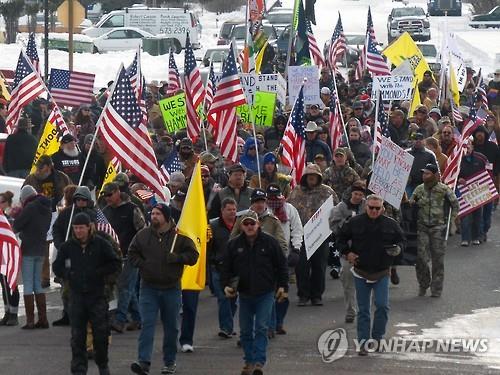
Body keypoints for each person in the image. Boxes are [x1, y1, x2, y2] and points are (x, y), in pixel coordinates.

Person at [129, 203, 198, 375]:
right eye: (152, 213)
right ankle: (143, 361)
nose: (154, 217)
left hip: (171, 288)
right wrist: (143, 264)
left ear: (166, 217)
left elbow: (193, 256)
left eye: (158, 214)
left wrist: (177, 258)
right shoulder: (143, 235)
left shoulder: (179, 237)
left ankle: (169, 362)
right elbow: (132, 253)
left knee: (171, 327)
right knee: (147, 325)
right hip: (148, 287)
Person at [53, 212, 121, 375]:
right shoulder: (67, 247)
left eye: (81, 228)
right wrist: (68, 274)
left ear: (88, 227)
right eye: (76, 228)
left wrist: (99, 273)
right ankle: (78, 368)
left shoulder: (101, 244)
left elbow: (115, 263)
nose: (78, 231)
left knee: (100, 335)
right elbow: (57, 267)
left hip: (97, 296)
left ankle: (102, 365)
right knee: (77, 336)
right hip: (76, 297)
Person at [221, 210, 288, 375]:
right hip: (244, 294)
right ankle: (249, 361)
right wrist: (226, 285)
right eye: (246, 223)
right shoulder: (234, 245)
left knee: (261, 327)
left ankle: (259, 362)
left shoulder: (270, 242)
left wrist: (282, 286)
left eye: (253, 223)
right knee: (244, 330)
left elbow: (282, 266)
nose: (250, 226)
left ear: (258, 224)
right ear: (242, 226)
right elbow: (225, 269)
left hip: (265, 293)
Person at [337, 195, 405, 355]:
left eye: (377, 208)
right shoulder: (354, 222)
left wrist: (398, 249)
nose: (374, 211)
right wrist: (347, 253)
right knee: (363, 310)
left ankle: (377, 337)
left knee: (382, 306)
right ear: (365, 207)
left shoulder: (391, 224)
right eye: (371, 208)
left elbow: (402, 241)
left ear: (383, 209)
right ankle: (363, 343)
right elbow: (340, 239)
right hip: (361, 271)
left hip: (382, 272)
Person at [288, 164, 338, 306]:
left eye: (314, 176)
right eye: (309, 176)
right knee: (301, 266)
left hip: (321, 235)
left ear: (319, 177)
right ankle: (303, 295)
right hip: (301, 235)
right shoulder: (296, 192)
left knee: (319, 266)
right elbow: (289, 210)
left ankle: (317, 295)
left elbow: (336, 210)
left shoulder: (328, 192)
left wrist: (332, 227)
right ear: (304, 177)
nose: (312, 178)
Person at [102, 182, 146, 333]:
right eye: (105, 195)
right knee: (129, 288)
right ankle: (138, 318)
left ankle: (120, 320)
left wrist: (141, 251)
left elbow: (143, 231)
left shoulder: (132, 209)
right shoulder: (105, 212)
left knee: (125, 287)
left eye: (109, 195)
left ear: (117, 192)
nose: (107, 198)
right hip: (114, 255)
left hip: (131, 254)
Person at [51, 186, 97, 326]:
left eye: (83, 199)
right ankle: (67, 313)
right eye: (78, 199)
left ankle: (85, 314)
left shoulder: (94, 214)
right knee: (66, 285)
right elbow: (56, 229)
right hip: (68, 254)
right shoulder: (66, 213)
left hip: (87, 255)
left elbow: (99, 233)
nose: (80, 202)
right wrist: (60, 245)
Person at [410, 164, 459, 297]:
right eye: (423, 173)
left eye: (427, 173)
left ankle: (436, 288)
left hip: (438, 228)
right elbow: (410, 203)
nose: (424, 176)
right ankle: (423, 283)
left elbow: (455, 204)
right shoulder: (419, 189)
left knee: (438, 259)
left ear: (434, 175)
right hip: (422, 227)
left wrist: (453, 221)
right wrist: (412, 203)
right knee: (421, 259)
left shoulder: (443, 189)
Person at [265, 183, 303, 335]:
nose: (273, 200)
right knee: (268, 293)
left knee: (283, 293)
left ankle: (279, 322)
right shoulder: (261, 210)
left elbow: (297, 229)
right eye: (270, 197)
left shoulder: (289, 209)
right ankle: (270, 324)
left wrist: (296, 248)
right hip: (265, 258)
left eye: (276, 197)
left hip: (284, 257)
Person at [13, 185, 52, 329]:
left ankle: (30, 321)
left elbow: (17, 225)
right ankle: (43, 319)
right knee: (37, 283)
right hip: (41, 249)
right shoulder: (46, 208)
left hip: (28, 248)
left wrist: (16, 214)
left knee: (28, 284)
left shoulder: (30, 208)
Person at [330, 185, 366, 324]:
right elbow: (333, 225)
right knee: (347, 281)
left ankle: (364, 310)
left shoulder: (368, 206)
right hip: (347, 250)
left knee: (366, 282)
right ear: (351, 194)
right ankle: (351, 311)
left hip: (365, 249)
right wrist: (347, 224)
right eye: (355, 194)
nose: (358, 197)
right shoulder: (340, 207)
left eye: (360, 194)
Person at [208, 198, 239, 338]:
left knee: (233, 299)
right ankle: (226, 328)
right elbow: (208, 247)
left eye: (234, 209)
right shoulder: (213, 226)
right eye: (229, 209)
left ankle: (228, 324)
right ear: (222, 210)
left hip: (236, 269)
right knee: (223, 298)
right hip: (218, 268)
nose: (232, 212)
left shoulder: (241, 225)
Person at [457, 142, 488, 246]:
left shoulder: (480, 159)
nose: (467, 148)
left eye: (468, 146)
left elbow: (487, 173)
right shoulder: (458, 161)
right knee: (465, 216)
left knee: (477, 216)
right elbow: (452, 176)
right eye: (465, 147)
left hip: (477, 191)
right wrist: (458, 180)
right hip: (464, 191)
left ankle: (476, 237)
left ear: (472, 147)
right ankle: (465, 238)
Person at [0, 190, 19, 326]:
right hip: (1, 255)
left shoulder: (11, 218)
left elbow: (14, 236)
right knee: (4, 285)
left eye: (2, 202)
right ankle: (7, 312)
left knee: (11, 283)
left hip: (10, 254)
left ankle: (14, 314)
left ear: (7, 203)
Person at [406, 131, 438, 197]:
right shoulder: (406, 153)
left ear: (424, 141)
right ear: (412, 141)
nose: (418, 141)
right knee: (408, 204)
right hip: (409, 184)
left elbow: (436, 172)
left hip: (425, 185)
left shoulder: (430, 154)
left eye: (420, 139)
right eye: (416, 139)